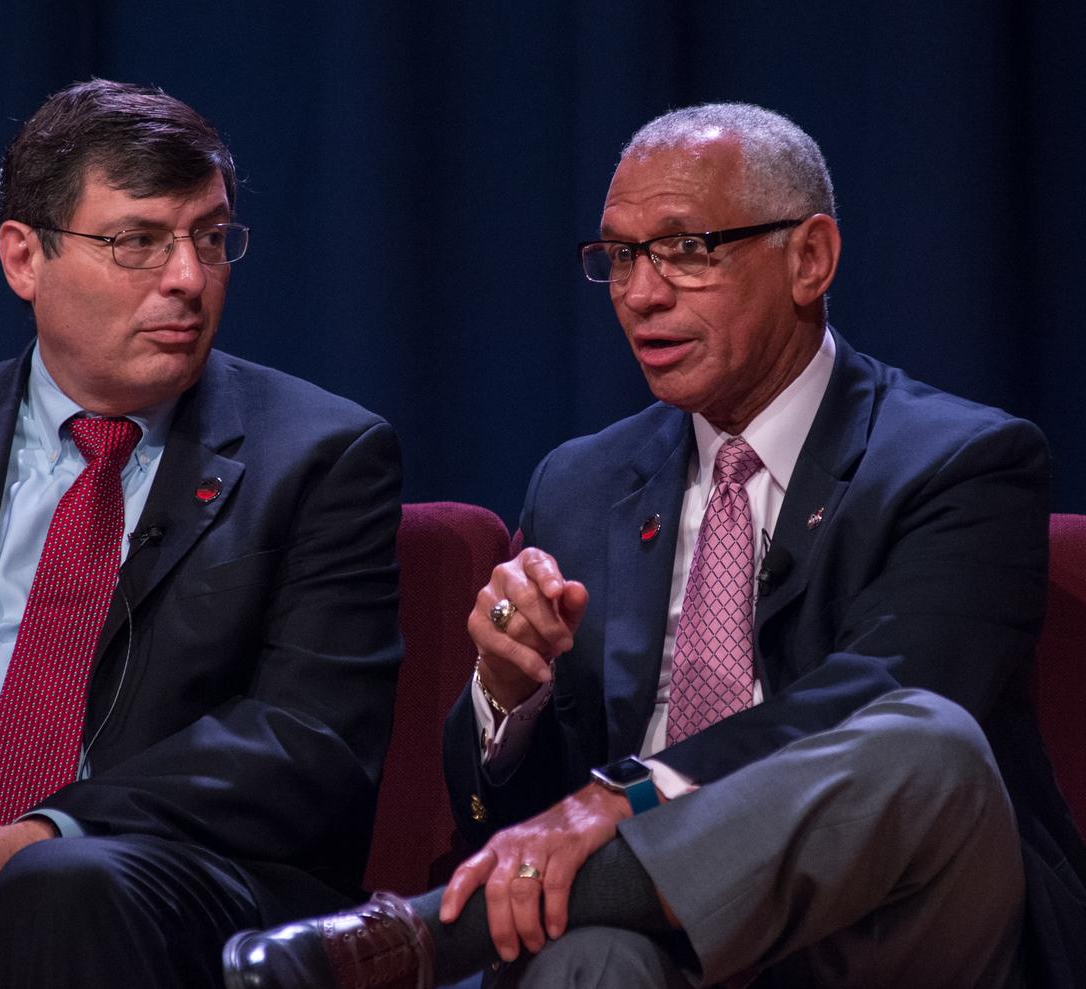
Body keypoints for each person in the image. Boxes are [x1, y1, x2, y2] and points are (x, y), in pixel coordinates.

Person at [223, 103, 1086, 988]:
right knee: (591, 955)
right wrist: (506, 702)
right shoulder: (584, 483)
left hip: (894, 933)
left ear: (810, 258)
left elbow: (899, 700)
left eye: (685, 249)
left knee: (925, 735)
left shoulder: (962, 461)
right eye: (622, 257)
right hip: (657, 949)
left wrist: (629, 792)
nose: (641, 293)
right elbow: (517, 838)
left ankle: (425, 940)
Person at [0, 79, 402, 989]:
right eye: (137, 241)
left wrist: (28, 840)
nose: (188, 279)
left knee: (61, 885)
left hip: (143, 861)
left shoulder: (321, 454)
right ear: (22, 258)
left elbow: (305, 736)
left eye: (210, 237)